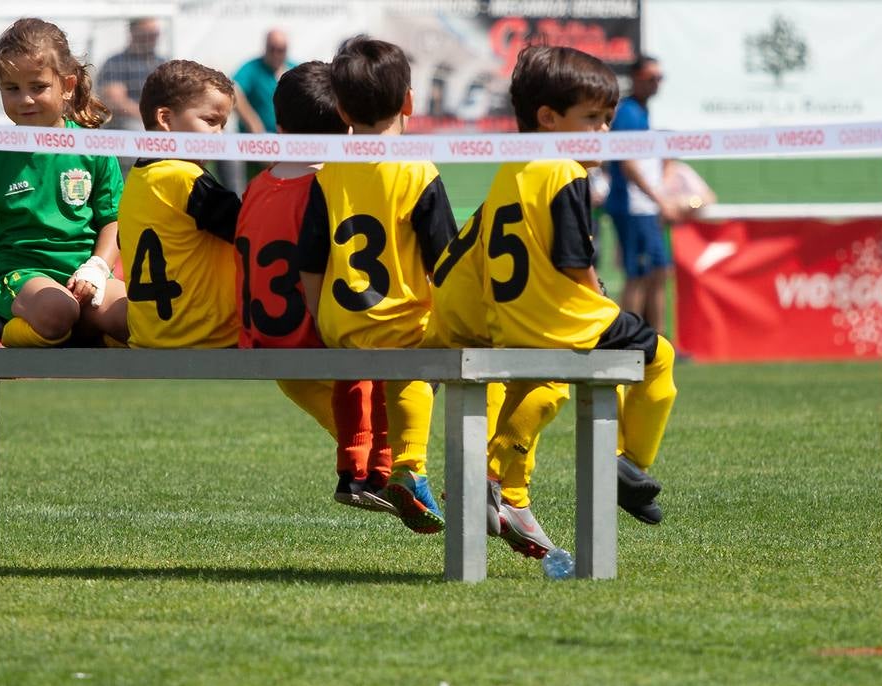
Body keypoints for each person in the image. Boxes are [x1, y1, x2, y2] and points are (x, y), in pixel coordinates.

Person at [427, 45, 678, 562]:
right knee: (660, 357)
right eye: (592, 119)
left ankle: (495, 479)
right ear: (548, 118)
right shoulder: (566, 171)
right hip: (558, 316)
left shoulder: (508, 170)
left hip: (510, 317)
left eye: (608, 120)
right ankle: (627, 463)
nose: (604, 132)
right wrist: (596, 294)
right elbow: (572, 258)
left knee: (542, 384)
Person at [297, 37, 458, 534]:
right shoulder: (418, 170)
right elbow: (444, 259)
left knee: (356, 368)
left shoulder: (329, 174)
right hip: (403, 319)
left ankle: (355, 467)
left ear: (342, 109)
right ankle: (410, 468)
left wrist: (322, 313)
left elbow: (311, 256)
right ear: (409, 102)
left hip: (343, 319)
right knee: (415, 368)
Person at [234, 61, 392, 513]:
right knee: (400, 351)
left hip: (265, 343)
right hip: (315, 340)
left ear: (278, 126)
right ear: (347, 124)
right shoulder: (332, 187)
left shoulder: (258, 185)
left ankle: (365, 469)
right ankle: (375, 471)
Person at [0, 18, 128, 349]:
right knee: (57, 310)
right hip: (23, 280)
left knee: (136, 316)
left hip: (86, 278)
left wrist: (96, 269)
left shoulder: (95, 148)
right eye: (12, 89)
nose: (25, 99)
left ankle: (85, 329)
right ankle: (4, 326)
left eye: (37, 87)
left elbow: (113, 221)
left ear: (67, 85)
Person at [109, 60, 241, 349]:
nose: (220, 135)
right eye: (210, 121)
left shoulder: (137, 180)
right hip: (208, 337)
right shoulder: (185, 178)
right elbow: (250, 231)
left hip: (150, 337)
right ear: (166, 119)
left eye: (223, 125)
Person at [603, 55, 675, 332]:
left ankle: (658, 340)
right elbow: (628, 163)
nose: (656, 83)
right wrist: (660, 200)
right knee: (637, 275)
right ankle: (628, 339)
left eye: (659, 77)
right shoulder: (628, 113)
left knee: (659, 273)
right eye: (650, 78)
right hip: (633, 206)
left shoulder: (643, 113)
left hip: (647, 206)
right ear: (635, 79)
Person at [223, 29, 296, 194]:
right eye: (272, 48)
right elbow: (234, 90)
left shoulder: (295, 68)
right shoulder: (252, 68)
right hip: (254, 143)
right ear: (265, 47)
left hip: (288, 142)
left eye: (281, 49)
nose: (277, 53)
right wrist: (253, 123)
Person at [97, 17, 166, 132]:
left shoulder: (162, 63)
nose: (153, 38)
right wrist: (148, 119)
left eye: (155, 34)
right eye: (147, 33)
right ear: (133, 32)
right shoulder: (115, 63)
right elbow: (116, 101)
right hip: (125, 124)